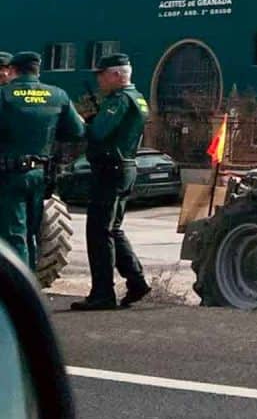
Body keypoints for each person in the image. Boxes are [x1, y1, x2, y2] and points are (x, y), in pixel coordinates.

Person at [71, 54, 152, 311]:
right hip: (125, 167)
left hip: (110, 170)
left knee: (98, 232)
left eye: (102, 74)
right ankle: (136, 280)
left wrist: (81, 121)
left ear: (117, 75)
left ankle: (102, 293)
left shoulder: (119, 100)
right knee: (113, 229)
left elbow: (97, 133)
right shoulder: (138, 97)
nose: (99, 79)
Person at [0, 52, 86, 272]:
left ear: (12, 70)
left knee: (13, 236)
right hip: (41, 175)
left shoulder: (4, 95)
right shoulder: (58, 95)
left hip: (9, 175)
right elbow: (76, 132)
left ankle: (16, 295)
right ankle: (28, 285)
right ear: (38, 70)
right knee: (29, 234)